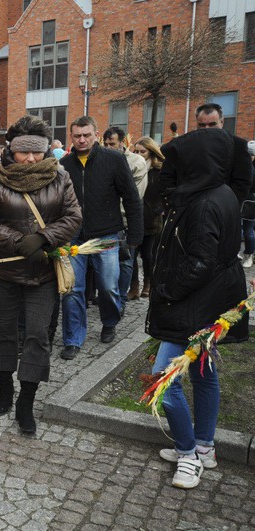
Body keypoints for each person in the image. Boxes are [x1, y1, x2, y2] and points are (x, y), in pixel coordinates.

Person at [147, 127, 247, 489]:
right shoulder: (219, 191)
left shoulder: (204, 203)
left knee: (165, 379)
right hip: (213, 300)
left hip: (195, 305)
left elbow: (201, 263)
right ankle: (204, 446)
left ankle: (189, 454)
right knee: (204, 373)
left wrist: (166, 291)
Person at [0, 115, 81, 434]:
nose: (31, 158)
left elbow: (74, 216)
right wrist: (21, 241)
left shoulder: (59, 178)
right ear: (12, 150)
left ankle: (26, 402)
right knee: (6, 332)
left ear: (46, 150)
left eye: (37, 151)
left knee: (37, 335)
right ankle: (5, 387)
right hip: (4, 272)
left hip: (42, 274)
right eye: (24, 152)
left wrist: (45, 238)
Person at [58, 116, 143, 360]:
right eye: (77, 136)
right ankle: (73, 338)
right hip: (75, 237)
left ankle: (109, 320)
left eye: (86, 135)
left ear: (96, 134)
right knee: (73, 290)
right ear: (71, 136)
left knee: (108, 286)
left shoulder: (114, 159)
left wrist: (135, 235)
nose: (82, 140)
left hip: (107, 234)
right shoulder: (65, 165)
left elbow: (131, 197)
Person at [160, 103, 252, 205]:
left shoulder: (237, 145)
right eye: (202, 125)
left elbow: (243, 182)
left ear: (222, 122)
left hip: (221, 209)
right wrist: (175, 200)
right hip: (187, 207)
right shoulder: (183, 145)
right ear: (196, 123)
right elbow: (167, 176)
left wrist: (228, 206)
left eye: (212, 124)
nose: (207, 129)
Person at [102, 126, 148, 304]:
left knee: (126, 260)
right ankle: (110, 296)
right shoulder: (102, 160)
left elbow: (134, 195)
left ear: (122, 142)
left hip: (125, 220)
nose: (108, 147)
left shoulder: (136, 162)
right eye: (105, 144)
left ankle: (120, 297)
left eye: (112, 143)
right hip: (107, 220)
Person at [132, 136, 166, 297]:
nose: (139, 154)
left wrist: (157, 210)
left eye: (142, 151)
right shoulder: (132, 167)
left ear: (151, 152)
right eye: (136, 151)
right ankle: (134, 286)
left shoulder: (159, 171)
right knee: (131, 255)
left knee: (148, 255)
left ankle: (148, 283)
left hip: (151, 219)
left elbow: (165, 194)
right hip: (134, 217)